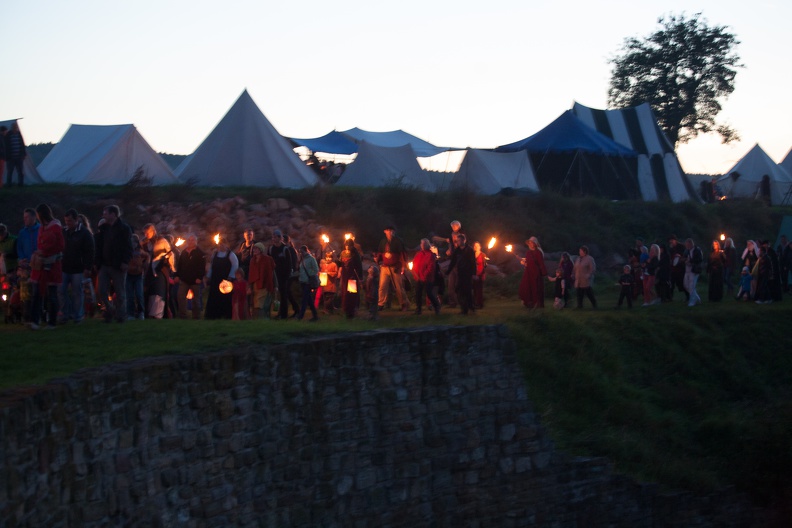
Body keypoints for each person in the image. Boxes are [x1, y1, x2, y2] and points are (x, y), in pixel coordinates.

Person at [29, 204, 65, 330]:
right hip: (41, 265)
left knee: (52, 295)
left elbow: (60, 245)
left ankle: (52, 322)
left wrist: (45, 251)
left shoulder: (55, 227)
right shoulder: (42, 227)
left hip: (51, 264)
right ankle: (35, 320)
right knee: (37, 293)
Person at [95, 205, 133, 323]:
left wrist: (125, 261)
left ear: (113, 214)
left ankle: (121, 315)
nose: (103, 216)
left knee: (120, 292)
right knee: (101, 290)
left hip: (117, 265)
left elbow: (128, 247)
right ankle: (110, 310)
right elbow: (99, 246)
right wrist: (97, 262)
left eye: (105, 213)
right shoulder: (104, 228)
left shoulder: (124, 228)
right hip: (105, 264)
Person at [58, 209, 95, 324]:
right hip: (65, 266)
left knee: (77, 292)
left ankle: (78, 315)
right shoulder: (63, 231)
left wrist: (87, 267)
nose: (67, 223)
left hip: (78, 268)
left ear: (76, 219)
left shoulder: (84, 233)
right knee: (61, 291)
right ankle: (66, 312)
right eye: (66, 221)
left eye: (69, 221)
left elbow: (90, 251)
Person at [141, 223, 175, 319]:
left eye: (148, 233)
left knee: (158, 292)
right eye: (145, 233)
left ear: (153, 231)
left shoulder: (162, 241)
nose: (146, 235)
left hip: (160, 271)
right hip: (149, 272)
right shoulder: (145, 244)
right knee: (150, 292)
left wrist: (166, 260)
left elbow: (170, 254)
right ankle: (150, 314)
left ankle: (157, 314)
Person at [376, 226, 409, 311]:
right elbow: (380, 253)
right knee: (382, 286)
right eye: (388, 230)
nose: (390, 232)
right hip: (385, 267)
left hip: (395, 267)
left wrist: (403, 266)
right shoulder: (383, 241)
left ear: (393, 231)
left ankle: (404, 304)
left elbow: (402, 254)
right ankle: (380, 304)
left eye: (391, 230)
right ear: (385, 231)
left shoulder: (398, 241)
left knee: (399, 287)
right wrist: (377, 259)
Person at [204, 235, 237, 319]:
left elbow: (235, 266)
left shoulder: (231, 254)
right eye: (220, 244)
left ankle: (226, 315)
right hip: (215, 279)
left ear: (226, 245)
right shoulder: (215, 254)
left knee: (225, 299)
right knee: (214, 298)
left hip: (226, 280)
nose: (221, 245)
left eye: (223, 244)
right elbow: (212, 266)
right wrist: (208, 276)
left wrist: (230, 276)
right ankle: (213, 315)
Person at [176, 234, 205, 319]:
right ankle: (182, 316)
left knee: (196, 300)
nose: (190, 242)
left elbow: (202, 267)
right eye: (189, 240)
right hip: (184, 279)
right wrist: (177, 275)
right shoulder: (184, 252)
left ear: (196, 241)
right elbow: (180, 265)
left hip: (195, 280)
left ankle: (196, 317)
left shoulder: (200, 253)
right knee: (181, 297)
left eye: (192, 240)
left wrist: (200, 277)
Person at [446, 233, 476, 315]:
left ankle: (471, 307)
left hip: (467, 273)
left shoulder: (469, 250)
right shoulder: (457, 251)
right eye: (457, 241)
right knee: (459, 290)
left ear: (464, 240)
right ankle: (464, 308)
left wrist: (474, 273)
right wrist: (448, 271)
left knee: (468, 291)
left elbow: (473, 262)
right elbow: (453, 262)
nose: (458, 242)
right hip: (460, 273)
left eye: (459, 240)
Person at [268, 229, 294, 320]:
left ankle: (284, 314)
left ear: (280, 238)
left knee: (283, 295)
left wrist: (287, 276)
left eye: (275, 237)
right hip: (274, 275)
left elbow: (289, 263)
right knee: (276, 295)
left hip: (283, 276)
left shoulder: (285, 249)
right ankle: (278, 312)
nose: (274, 239)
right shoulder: (271, 249)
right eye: (273, 237)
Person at [412, 238, 441, 315]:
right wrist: (416, 275)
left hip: (427, 278)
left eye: (424, 244)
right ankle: (418, 309)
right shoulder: (419, 254)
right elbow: (414, 265)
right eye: (422, 244)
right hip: (418, 278)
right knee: (418, 293)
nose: (423, 245)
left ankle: (436, 306)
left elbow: (430, 267)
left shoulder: (430, 255)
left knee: (429, 293)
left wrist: (424, 276)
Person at [248, 242, 276, 319]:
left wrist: (275, 285)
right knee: (256, 303)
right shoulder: (252, 261)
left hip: (264, 284)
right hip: (255, 285)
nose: (254, 250)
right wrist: (250, 286)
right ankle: (257, 320)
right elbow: (251, 274)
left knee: (261, 304)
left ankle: (263, 319)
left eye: (256, 248)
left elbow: (271, 272)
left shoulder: (267, 259)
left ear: (260, 249)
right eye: (254, 249)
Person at [518, 236, 547, 309]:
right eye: (529, 243)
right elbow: (527, 263)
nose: (531, 244)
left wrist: (544, 273)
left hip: (536, 273)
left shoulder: (538, 252)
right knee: (525, 287)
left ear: (535, 243)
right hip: (528, 273)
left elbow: (541, 263)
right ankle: (528, 303)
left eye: (532, 243)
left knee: (536, 289)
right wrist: (523, 262)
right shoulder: (528, 253)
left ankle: (537, 304)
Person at [126, 234, 148, 320]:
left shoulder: (140, 251)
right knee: (130, 296)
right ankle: (130, 313)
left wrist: (145, 263)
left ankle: (141, 312)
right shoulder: (127, 251)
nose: (133, 244)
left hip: (138, 275)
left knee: (139, 294)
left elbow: (147, 256)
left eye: (134, 242)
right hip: (129, 275)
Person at [340, 238, 363, 319]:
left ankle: (353, 310)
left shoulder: (355, 254)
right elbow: (340, 263)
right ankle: (345, 309)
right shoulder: (342, 253)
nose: (347, 247)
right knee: (345, 292)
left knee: (352, 293)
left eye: (349, 246)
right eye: (346, 245)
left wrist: (360, 277)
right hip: (344, 276)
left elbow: (359, 266)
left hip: (352, 277)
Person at [297, 245, 319, 321]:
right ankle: (315, 316)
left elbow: (316, 269)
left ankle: (300, 316)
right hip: (302, 281)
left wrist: (310, 274)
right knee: (309, 299)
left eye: (302, 252)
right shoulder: (302, 260)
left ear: (306, 251)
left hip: (308, 282)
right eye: (300, 252)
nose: (301, 253)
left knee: (305, 299)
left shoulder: (311, 259)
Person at [573, 245, 597, 309]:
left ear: (584, 251)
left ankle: (594, 304)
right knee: (579, 293)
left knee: (589, 293)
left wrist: (589, 275)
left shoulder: (590, 259)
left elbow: (593, 268)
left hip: (586, 279)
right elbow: (575, 267)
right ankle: (579, 306)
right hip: (578, 279)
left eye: (580, 251)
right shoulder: (578, 259)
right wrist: (573, 274)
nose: (579, 252)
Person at [4, 122, 26, 187]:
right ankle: (9, 185)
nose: (15, 128)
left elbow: (22, 145)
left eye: (16, 127)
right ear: (12, 128)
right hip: (10, 157)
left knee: (20, 172)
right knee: (10, 172)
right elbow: (6, 146)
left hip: (19, 157)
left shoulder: (19, 135)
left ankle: (21, 184)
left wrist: (23, 154)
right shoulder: (8, 135)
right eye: (14, 127)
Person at [684, 238, 703, 307]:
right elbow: (685, 257)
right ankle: (696, 297)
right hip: (688, 269)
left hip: (694, 270)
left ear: (691, 244)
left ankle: (692, 301)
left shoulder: (697, 250)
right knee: (686, 285)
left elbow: (700, 259)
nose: (686, 246)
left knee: (691, 285)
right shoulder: (687, 251)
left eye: (687, 245)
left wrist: (691, 262)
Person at [668, 235, 687, 302]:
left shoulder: (681, 247)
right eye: (670, 241)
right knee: (671, 283)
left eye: (672, 241)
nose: (671, 242)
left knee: (682, 283)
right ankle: (670, 297)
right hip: (673, 268)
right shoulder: (671, 248)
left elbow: (685, 255)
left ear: (675, 240)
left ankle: (688, 296)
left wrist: (680, 256)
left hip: (680, 268)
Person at [472, 241, 487, 309]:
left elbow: (485, 265)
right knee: (474, 289)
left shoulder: (483, 255)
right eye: (475, 246)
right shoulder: (472, 254)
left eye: (477, 246)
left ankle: (480, 304)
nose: (476, 247)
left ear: (480, 247)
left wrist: (485, 265)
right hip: (474, 274)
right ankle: (475, 303)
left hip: (481, 274)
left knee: (479, 290)